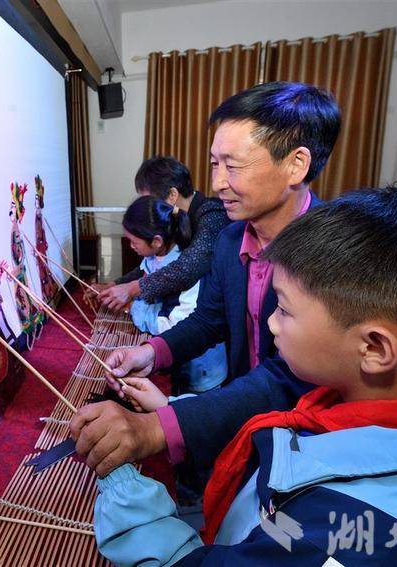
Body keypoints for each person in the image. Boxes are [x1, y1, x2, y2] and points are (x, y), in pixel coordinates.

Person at [92, 185, 397, 565]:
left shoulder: (345, 534)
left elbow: (295, 542)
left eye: (285, 309)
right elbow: (281, 525)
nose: (271, 323)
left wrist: (124, 490)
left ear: (375, 349)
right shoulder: (359, 407)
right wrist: (171, 407)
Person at [71, 82, 341, 477]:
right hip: (246, 423)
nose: (217, 183)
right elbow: (209, 319)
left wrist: (160, 426)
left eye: (233, 165)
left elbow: (287, 378)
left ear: (295, 165)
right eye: (215, 164)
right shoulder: (231, 240)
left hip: (308, 447)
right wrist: (151, 353)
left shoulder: (334, 254)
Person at [122, 195, 227, 395]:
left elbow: (174, 325)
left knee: (192, 407)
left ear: (156, 241)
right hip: (179, 359)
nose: (131, 246)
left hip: (201, 370)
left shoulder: (182, 268)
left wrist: (135, 308)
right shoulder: (154, 257)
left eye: (134, 242)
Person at [97, 156, 230, 312]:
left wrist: (132, 289)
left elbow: (187, 268)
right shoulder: (174, 218)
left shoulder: (212, 214)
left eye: (149, 200)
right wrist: (115, 285)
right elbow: (151, 266)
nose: (147, 207)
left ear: (172, 195)